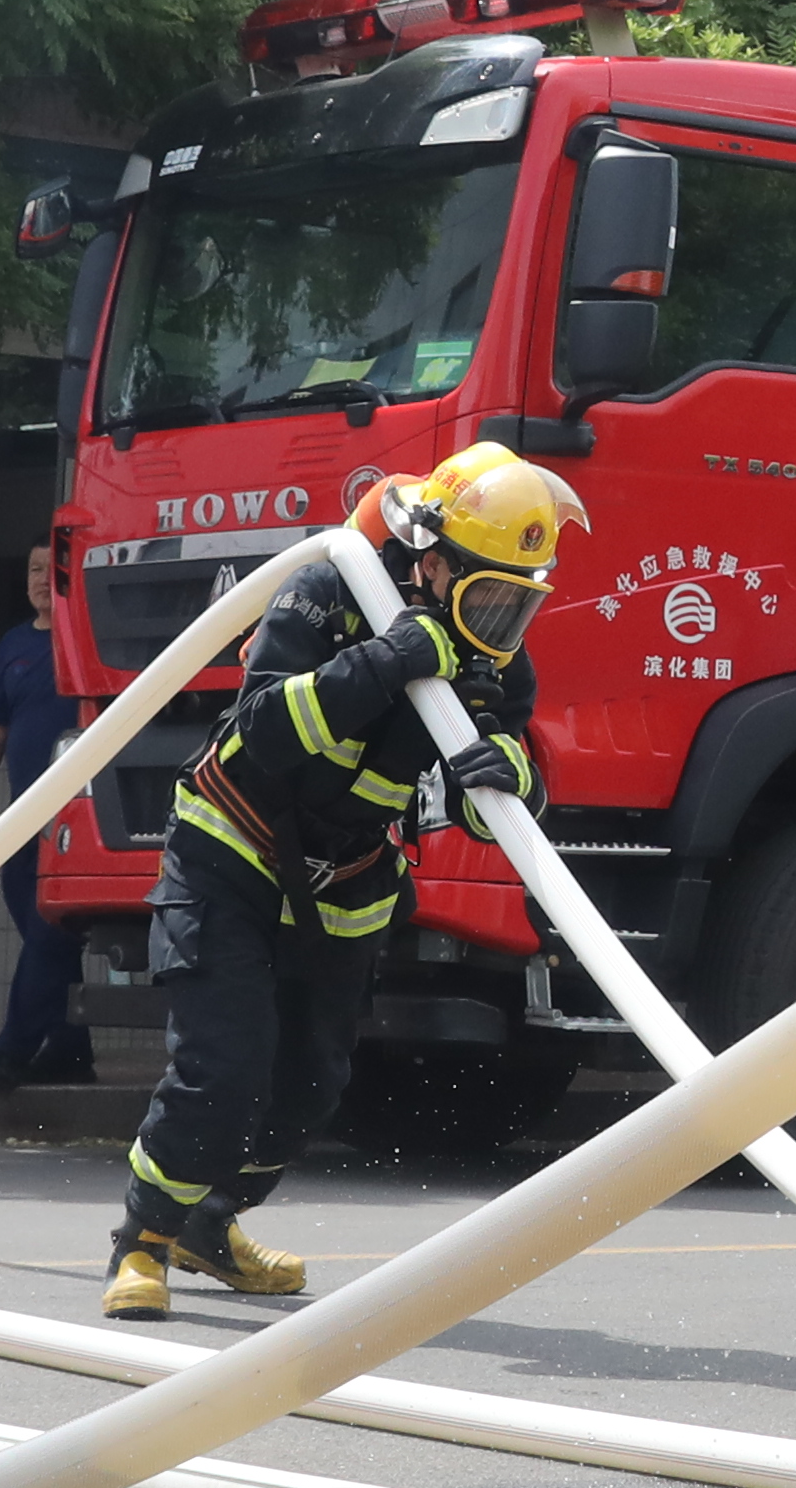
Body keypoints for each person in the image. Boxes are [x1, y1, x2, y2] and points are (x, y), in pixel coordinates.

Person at [110, 441, 582, 1321]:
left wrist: (510, 775)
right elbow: (261, 730)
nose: (501, 623)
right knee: (224, 1065)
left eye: (520, 605)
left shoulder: (494, 661)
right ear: (433, 562)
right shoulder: (329, 592)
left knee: (310, 1087)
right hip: (233, 853)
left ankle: (210, 1222)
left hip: (349, 882)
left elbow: (497, 808)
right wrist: (390, 659)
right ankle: (142, 1240)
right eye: (488, 596)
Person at [0, 533, 91, 1090]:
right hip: (20, 822)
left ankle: (12, 1050)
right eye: (30, 569)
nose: (38, 579)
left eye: (49, 567)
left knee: (51, 934)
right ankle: (73, 1050)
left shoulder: (90, 639)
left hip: (76, 822)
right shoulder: (13, 646)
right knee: (38, 932)